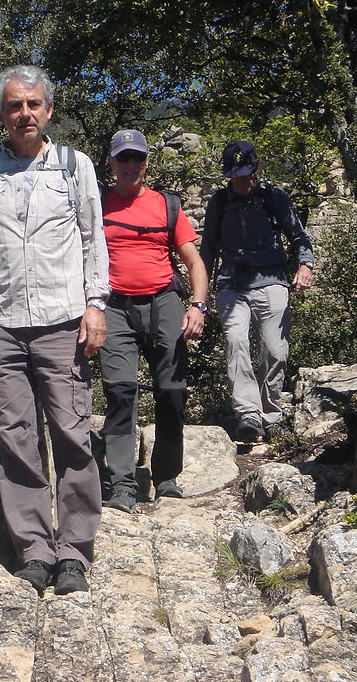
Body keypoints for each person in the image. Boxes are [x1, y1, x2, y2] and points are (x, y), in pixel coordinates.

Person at [0, 65, 109, 595]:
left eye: (33, 104)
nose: (25, 114)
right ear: (2, 113)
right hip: (4, 323)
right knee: (16, 439)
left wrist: (96, 305)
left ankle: (75, 553)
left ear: (48, 110)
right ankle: (35, 550)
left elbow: (93, 240)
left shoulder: (72, 166)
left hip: (63, 320)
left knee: (72, 433)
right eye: (15, 106)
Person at [98, 130, 209, 513]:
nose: (131, 165)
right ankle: (123, 483)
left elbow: (194, 261)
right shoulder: (97, 204)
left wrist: (198, 306)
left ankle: (165, 477)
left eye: (138, 158)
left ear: (146, 162)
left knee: (172, 392)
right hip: (114, 305)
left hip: (164, 300)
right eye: (124, 158)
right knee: (120, 392)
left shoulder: (166, 205)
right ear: (111, 162)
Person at [199, 141, 314, 441]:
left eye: (247, 173)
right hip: (231, 283)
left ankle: (271, 412)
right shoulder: (219, 203)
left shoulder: (273, 198)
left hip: (272, 279)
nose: (242, 181)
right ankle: (248, 413)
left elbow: (298, 235)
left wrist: (305, 265)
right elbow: (208, 250)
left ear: (257, 167)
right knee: (236, 341)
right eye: (236, 175)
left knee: (275, 350)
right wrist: (199, 298)